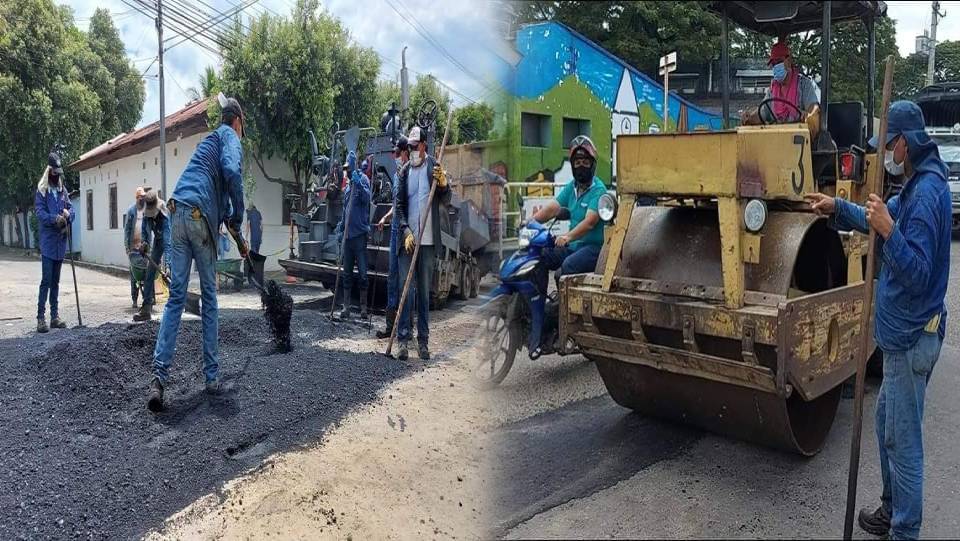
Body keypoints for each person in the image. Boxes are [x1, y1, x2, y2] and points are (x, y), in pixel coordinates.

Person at [806, 101, 951, 540]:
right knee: (888, 427)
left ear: (904, 144)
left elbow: (920, 273)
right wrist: (837, 206)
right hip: (899, 337)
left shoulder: (926, 197)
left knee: (904, 446)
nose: (883, 153)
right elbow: (873, 217)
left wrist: (889, 231)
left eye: (887, 145)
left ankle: (904, 531)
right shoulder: (912, 186)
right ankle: (893, 511)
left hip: (912, 339)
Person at [147, 95, 245, 412]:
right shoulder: (230, 136)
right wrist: (239, 216)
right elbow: (232, 172)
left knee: (176, 297)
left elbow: (220, 193)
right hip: (199, 217)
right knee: (209, 298)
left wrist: (232, 222)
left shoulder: (208, 144)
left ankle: (158, 380)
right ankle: (212, 379)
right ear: (238, 122)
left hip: (176, 213)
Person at [394, 126, 450, 360]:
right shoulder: (404, 172)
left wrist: (444, 184)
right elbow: (398, 206)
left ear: (424, 146)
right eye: (410, 148)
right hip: (409, 242)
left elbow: (446, 200)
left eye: (415, 147)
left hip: (427, 242)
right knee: (405, 291)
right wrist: (406, 231)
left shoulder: (433, 169)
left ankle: (424, 341)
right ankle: (403, 340)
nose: (412, 151)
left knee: (425, 293)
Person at [528, 135, 607, 290]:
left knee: (566, 268)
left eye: (585, 162)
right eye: (577, 163)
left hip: (593, 249)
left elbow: (590, 222)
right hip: (573, 246)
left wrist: (567, 236)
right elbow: (553, 208)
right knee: (538, 255)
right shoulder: (572, 187)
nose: (581, 166)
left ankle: (562, 310)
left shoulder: (599, 190)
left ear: (592, 165)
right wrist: (530, 222)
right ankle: (537, 305)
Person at [35, 151, 74, 333]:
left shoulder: (62, 191)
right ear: (49, 171)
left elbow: (70, 209)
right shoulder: (42, 192)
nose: (57, 176)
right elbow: (40, 214)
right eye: (55, 173)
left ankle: (54, 316)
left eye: (59, 173)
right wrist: (54, 218)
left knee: (56, 282)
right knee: (46, 280)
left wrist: (68, 215)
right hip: (49, 243)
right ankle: (41, 318)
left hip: (60, 243)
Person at [740, 40, 820, 125]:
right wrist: (750, 117)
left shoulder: (804, 84)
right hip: (777, 135)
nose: (776, 67)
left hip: (799, 136)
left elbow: (813, 110)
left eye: (778, 62)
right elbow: (762, 113)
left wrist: (809, 115)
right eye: (773, 64)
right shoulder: (772, 89)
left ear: (788, 61)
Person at [376, 135, 409, 339]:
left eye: (396, 153)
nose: (393, 156)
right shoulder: (397, 176)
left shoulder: (412, 174)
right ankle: (390, 326)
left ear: (405, 152)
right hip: (395, 230)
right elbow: (396, 204)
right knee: (392, 279)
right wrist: (385, 218)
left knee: (405, 282)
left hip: (406, 232)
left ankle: (406, 328)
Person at [337, 151, 372, 320]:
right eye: (346, 169)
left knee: (363, 274)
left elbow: (367, 200)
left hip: (359, 236)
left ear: (354, 166)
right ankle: (346, 307)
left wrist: (359, 184)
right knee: (347, 273)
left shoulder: (362, 180)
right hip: (348, 237)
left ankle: (364, 309)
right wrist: (341, 228)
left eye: (348, 168)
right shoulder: (348, 187)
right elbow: (345, 210)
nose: (347, 172)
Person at [133, 191, 172, 322]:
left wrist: (168, 265)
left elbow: (168, 243)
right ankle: (146, 308)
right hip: (158, 242)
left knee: (172, 274)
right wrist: (144, 245)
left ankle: (176, 304)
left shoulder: (164, 215)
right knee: (149, 274)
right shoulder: (147, 215)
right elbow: (146, 233)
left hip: (172, 242)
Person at [124, 186, 151, 309]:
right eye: (140, 197)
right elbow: (127, 230)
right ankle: (134, 299)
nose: (142, 199)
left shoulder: (147, 211)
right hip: (133, 248)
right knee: (134, 276)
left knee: (149, 273)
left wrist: (149, 245)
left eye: (144, 197)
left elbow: (149, 229)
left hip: (144, 247)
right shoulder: (131, 211)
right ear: (136, 198)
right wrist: (127, 248)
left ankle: (149, 298)